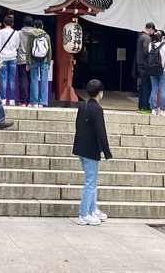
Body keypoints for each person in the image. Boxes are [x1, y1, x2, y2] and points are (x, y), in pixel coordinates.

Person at [72, 79, 113, 225]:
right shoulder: (97, 109)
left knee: (91, 181)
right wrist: (107, 151)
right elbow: (101, 133)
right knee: (90, 183)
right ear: (100, 93)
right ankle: (83, 214)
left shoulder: (82, 107)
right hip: (91, 150)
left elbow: (78, 127)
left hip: (81, 148)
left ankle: (93, 209)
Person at [25, 18, 52, 107]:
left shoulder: (31, 35)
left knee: (34, 81)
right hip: (44, 60)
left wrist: (27, 62)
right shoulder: (46, 35)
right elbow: (49, 50)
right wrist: (48, 62)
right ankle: (42, 102)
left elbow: (28, 49)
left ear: (34, 27)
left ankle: (34, 102)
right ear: (42, 26)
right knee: (44, 81)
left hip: (33, 60)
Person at [0, 15, 20, 106]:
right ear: (12, 23)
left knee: (3, 78)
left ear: (4, 23)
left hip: (3, 57)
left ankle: (3, 99)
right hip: (13, 57)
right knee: (12, 79)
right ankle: (12, 100)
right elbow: (17, 46)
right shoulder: (16, 33)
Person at [148, 30, 165, 116]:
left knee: (154, 89)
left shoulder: (150, 45)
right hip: (163, 70)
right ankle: (162, 110)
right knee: (162, 90)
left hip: (152, 70)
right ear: (163, 37)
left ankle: (153, 109)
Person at [135, 23, 156, 114]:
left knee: (143, 86)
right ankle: (145, 106)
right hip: (144, 64)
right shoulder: (146, 38)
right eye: (153, 31)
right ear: (150, 29)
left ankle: (140, 106)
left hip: (139, 63)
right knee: (147, 86)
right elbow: (146, 51)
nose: (153, 33)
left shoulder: (140, 36)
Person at [16, 15, 35, 106]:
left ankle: (22, 100)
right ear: (32, 24)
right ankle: (31, 100)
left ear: (23, 24)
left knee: (22, 80)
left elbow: (16, 45)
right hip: (33, 59)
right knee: (32, 80)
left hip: (21, 59)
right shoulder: (35, 33)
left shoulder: (18, 33)